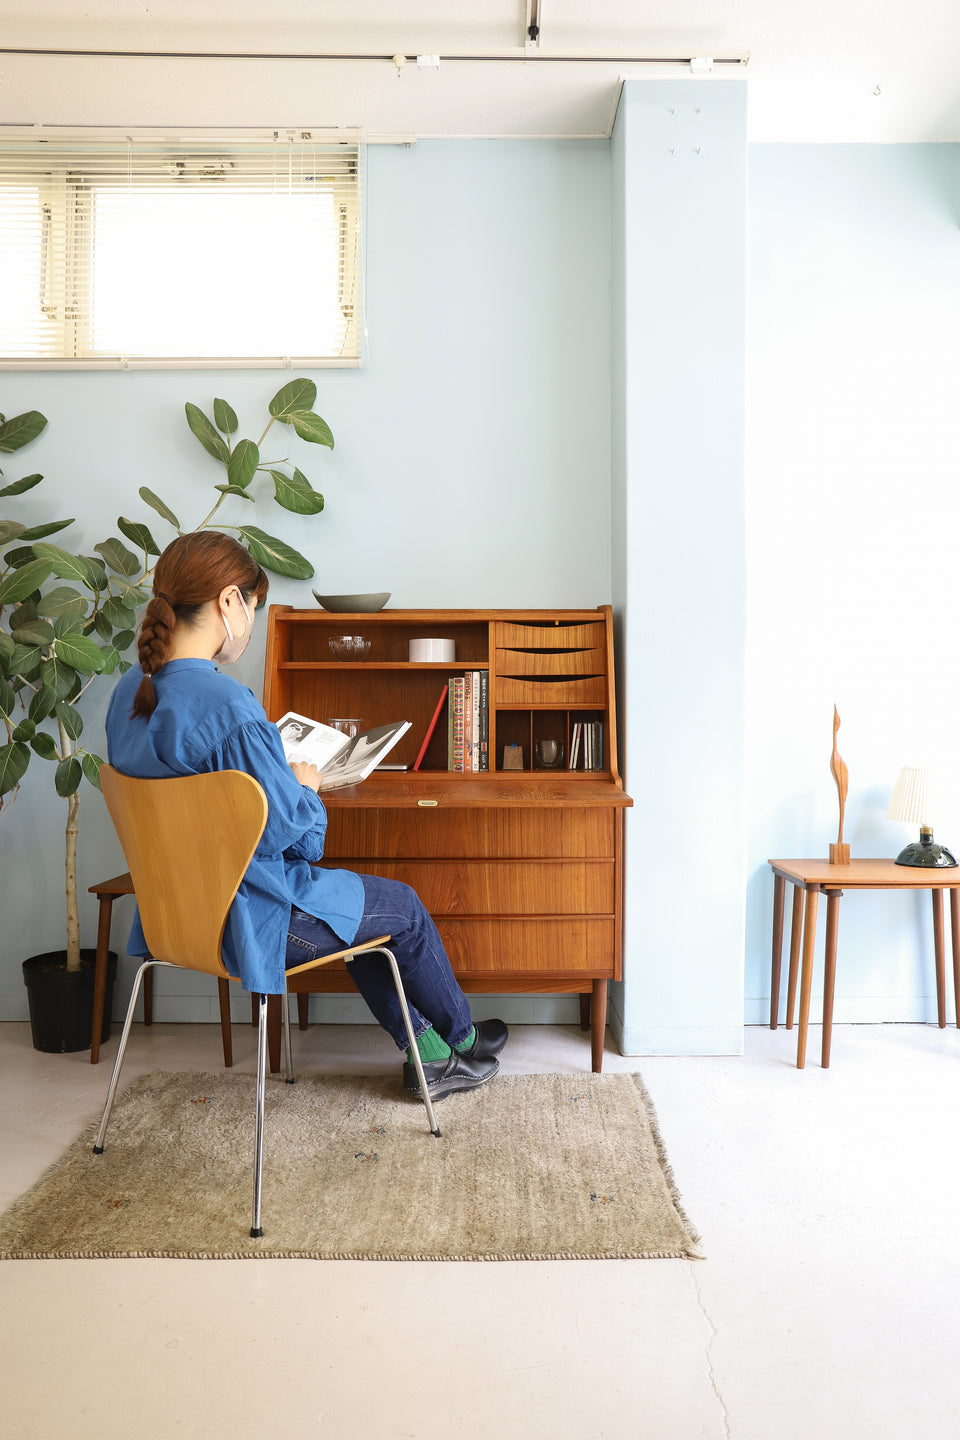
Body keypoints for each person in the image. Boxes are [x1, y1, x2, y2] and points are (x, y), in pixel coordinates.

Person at [105, 530, 507, 1099]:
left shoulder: (129, 692)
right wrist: (304, 786)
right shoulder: (229, 707)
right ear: (228, 601)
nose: (251, 623)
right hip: (257, 920)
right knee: (404, 911)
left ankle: (436, 1050)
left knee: (361, 913)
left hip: (175, 917)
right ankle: (460, 1043)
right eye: (253, 607)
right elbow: (296, 841)